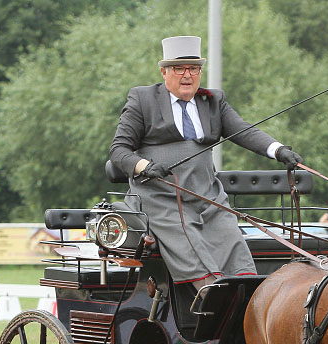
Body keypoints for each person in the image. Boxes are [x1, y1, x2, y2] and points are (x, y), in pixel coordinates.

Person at [110, 36, 303, 290]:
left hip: (208, 198)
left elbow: (243, 131)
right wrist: (144, 166)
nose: (187, 75)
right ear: (164, 72)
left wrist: (278, 150)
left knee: (236, 252)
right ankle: (210, 305)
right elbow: (119, 151)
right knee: (193, 251)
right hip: (161, 201)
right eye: (179, 68)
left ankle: (244, 305)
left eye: (194, 68)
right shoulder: (142, 99)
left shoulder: (212, 101)